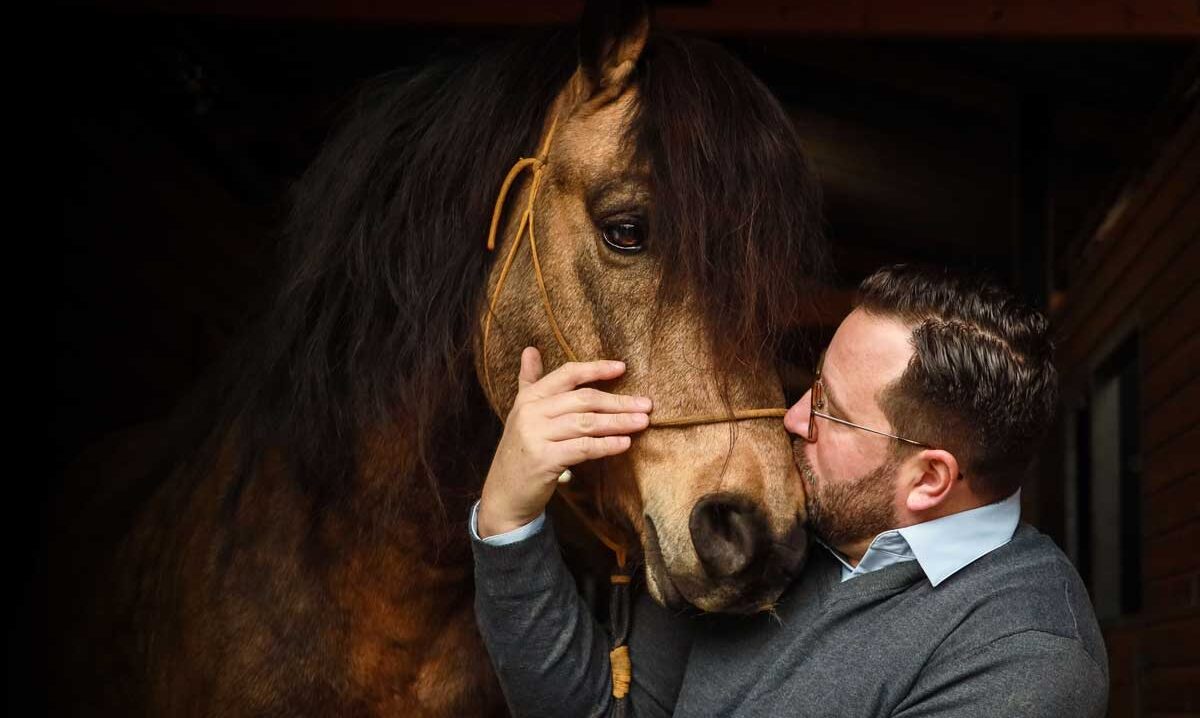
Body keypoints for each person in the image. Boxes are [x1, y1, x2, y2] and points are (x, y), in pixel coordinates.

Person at [470, 264, 1108, 717]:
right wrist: (509, 518)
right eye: (807, 385)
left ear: (930, 479)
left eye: (827, 409)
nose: (792, 418)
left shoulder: (1028, 661)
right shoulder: (777, 531)